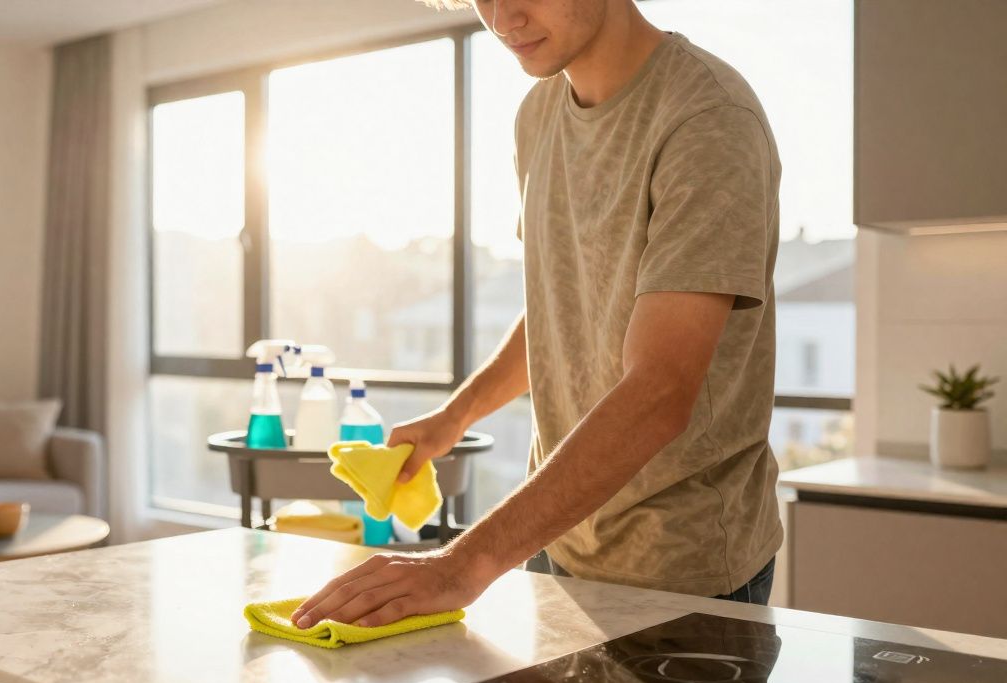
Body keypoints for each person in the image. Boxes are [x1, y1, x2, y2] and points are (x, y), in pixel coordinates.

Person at [293, 0, 782, 630]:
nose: (502, 17)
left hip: (683, 569)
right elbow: (563, 303)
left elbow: (661, 390)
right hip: (555, 541)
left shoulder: (709, 118)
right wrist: (455, 415)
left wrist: (461, 563)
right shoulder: (538, 113)